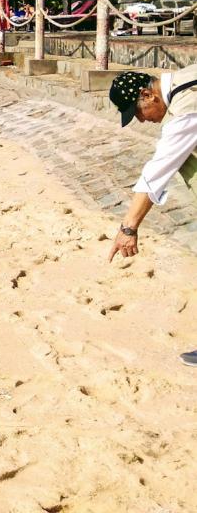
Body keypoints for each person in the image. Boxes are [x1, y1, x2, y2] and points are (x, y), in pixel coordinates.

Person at [106, 68, 197, 367]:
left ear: (148, 94)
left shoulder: (186, 106)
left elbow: (158, 170)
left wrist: (128, 227)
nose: (143, 120)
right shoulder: (186, 79)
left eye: (139, 112)